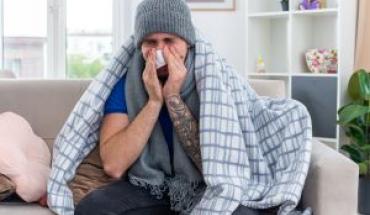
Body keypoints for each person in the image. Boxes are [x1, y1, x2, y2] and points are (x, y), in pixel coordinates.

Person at [74, 0, 279, 214]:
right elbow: (114, 166)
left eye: (169, 40)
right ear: (140, 46)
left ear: (187, 43)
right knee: (93, 207)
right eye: (150, 42)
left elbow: (216, 165)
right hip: (149, 187)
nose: (160, 51)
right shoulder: (125, 84)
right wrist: (154, 101)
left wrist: (173, 97)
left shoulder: (213, 82)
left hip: (203, 187)